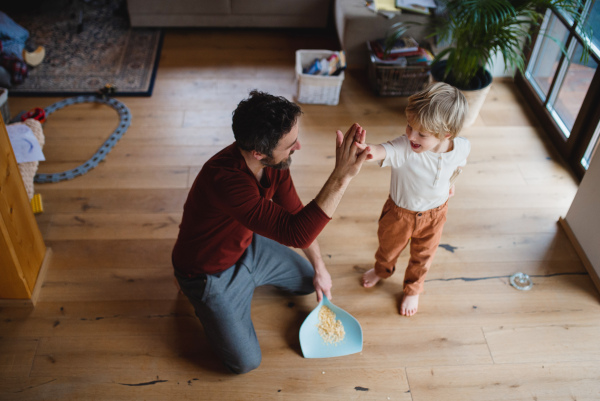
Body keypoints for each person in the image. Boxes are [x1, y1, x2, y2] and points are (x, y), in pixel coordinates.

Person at [172, 90, 369, 374]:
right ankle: (202, 300)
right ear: (258, 153)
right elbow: (297, 233)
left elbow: (296, 214)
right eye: (290, 144)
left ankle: (251, 279)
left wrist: (320, 267)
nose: (298, 147)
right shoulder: (226, 181)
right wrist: (342, 176)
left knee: (307, 281)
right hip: (208, 274)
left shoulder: (275, 163)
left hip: (249, 245)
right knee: (244, 363)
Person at [357, 82, 470, 317]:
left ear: (446, 134)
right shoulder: (406, 147)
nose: (411, 135)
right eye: (409, 126)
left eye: (421, 133)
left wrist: (451, 183)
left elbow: (458, 164)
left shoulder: (461, 147)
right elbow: (383, 150)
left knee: (424, 255)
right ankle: (382, 270)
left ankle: (413, 288)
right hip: (400, 214)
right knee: (388, 249)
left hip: (435, 215)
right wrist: (367, 151)